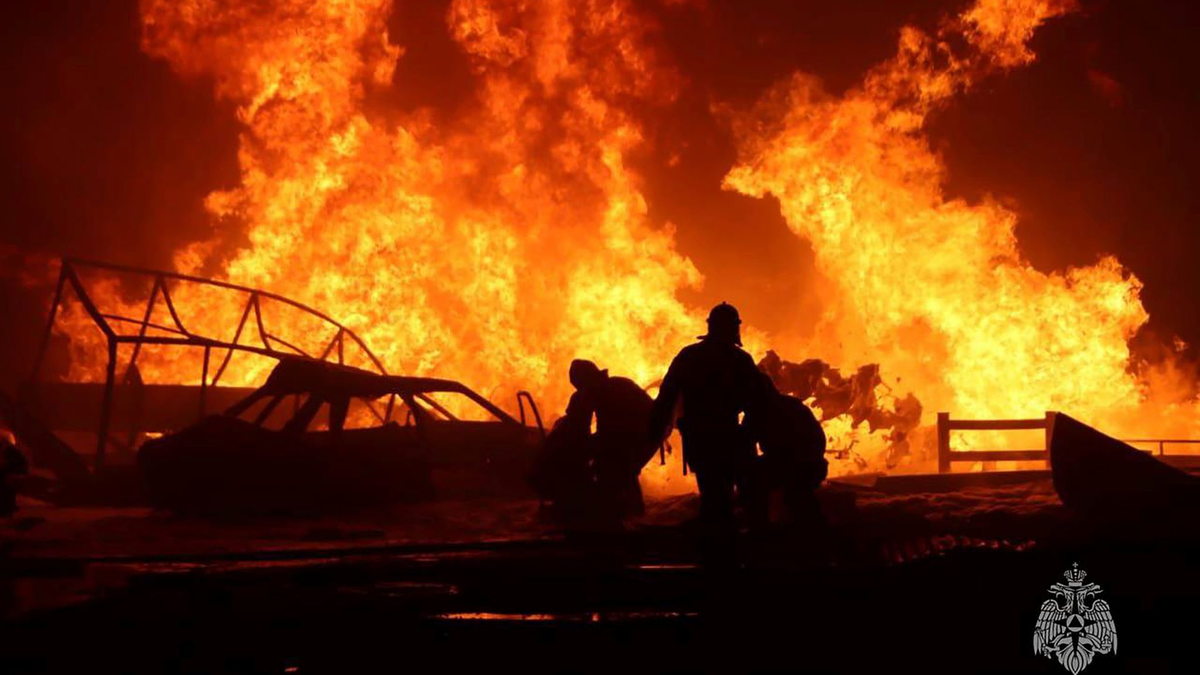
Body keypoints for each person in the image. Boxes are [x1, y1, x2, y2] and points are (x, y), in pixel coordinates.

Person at [649, 303, 767, 533]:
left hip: (701, 439)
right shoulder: (740, 360)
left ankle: (717, 550)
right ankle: (737, 553)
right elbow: (759, 402)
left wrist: (658, 426)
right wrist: (748, 434)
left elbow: (666, 396)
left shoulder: (689, 356)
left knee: (715, 496)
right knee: (743, 498)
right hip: (729, 438)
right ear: (734, 329)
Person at [531, 360, 657, 521]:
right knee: (616, 468)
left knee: (619, 468)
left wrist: (591, 450)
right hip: (633, 433)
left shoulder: (614, 391)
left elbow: (612, 434)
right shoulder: (601, 391)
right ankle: (629, 512)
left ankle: (631, 515)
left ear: (588, 380)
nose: (581, 391)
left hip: (645, 432)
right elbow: (591, 428)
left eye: (581, 385)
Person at [0, 435, 28, 517]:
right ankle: (7, 509)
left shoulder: (9, 451)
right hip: (10, 474)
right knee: (8, 491)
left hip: (10, 475)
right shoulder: (10, 451)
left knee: (6, 491)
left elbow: (8, 464)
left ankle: (6, 510)